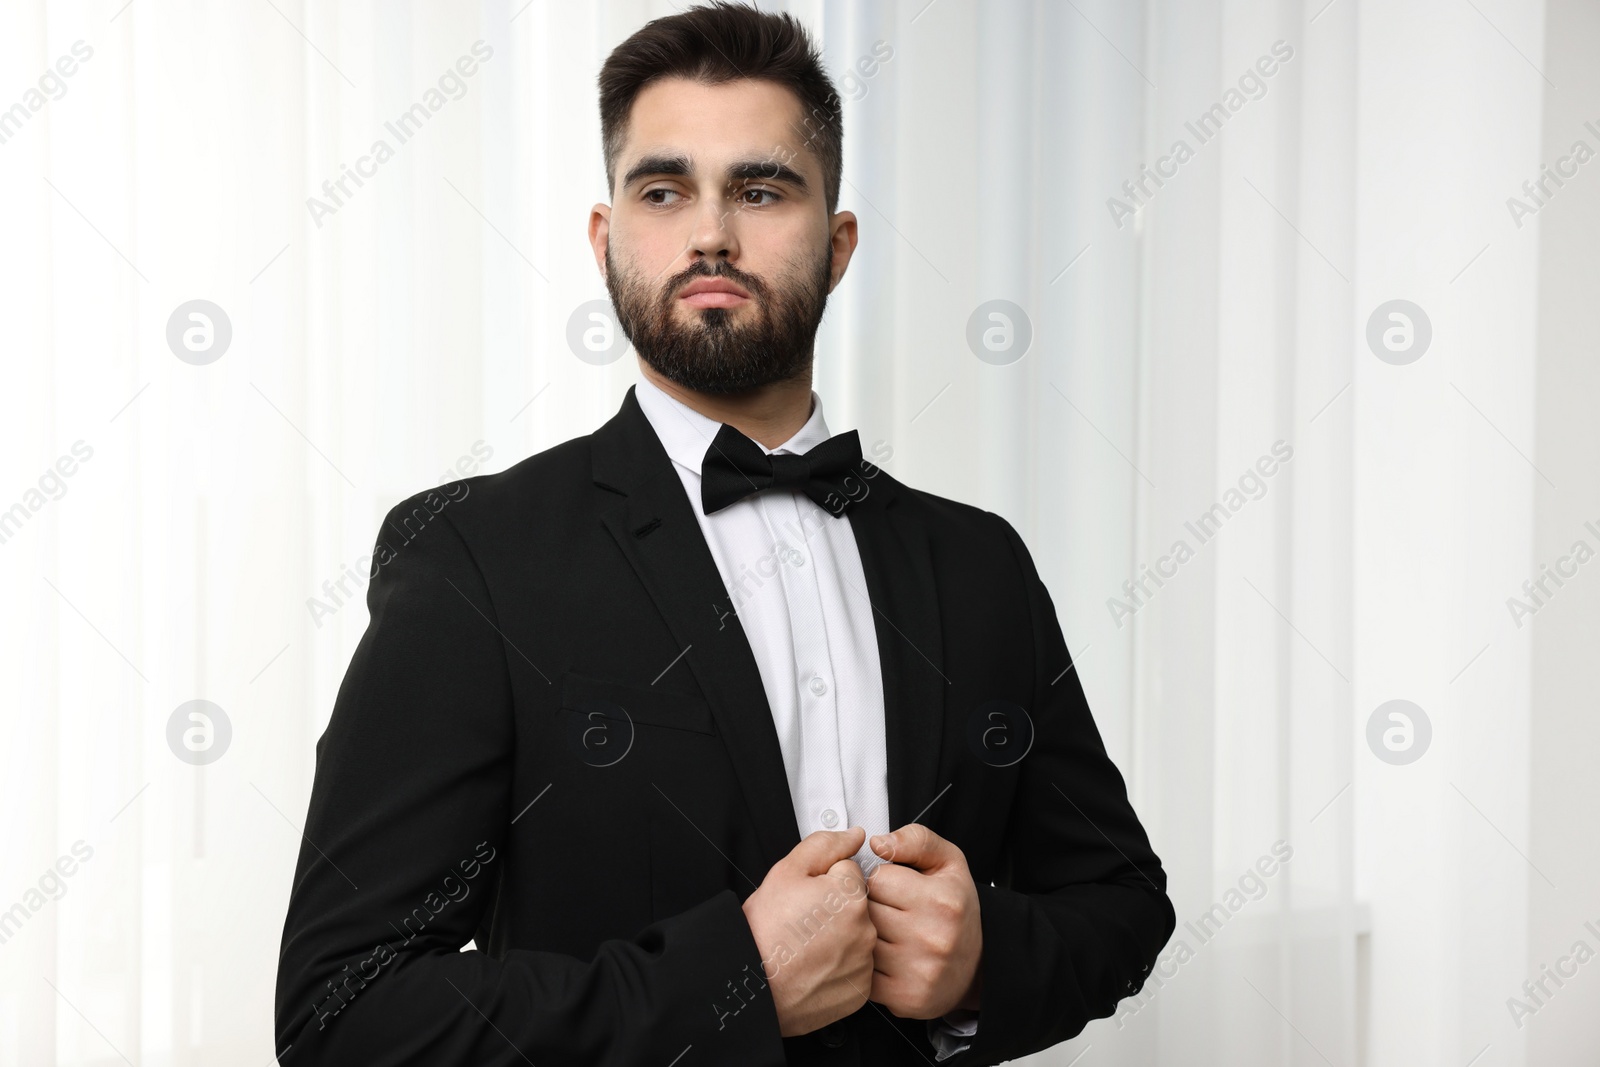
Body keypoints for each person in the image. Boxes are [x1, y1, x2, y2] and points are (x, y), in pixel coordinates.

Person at [273, 3, 1174, 1063]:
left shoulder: (981, 564)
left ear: (837, 244)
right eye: (664, 190)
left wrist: (986, 955)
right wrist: (729, 982)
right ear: (607, 241)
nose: (710, 231)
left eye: (761, 188)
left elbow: (1118, 902)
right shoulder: (474, 558)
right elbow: (346, 1010)